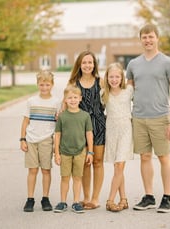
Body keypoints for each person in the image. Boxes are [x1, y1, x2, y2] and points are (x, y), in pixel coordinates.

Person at [126, 24, 170, 213]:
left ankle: (166, 197)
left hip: (160, 118)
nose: (148, 40)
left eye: (151, 37)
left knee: (164, 157)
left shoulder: (167, 63)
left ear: (157, 38)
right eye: (144, 37)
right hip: (139, 118)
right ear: (140, 39)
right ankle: (148, 196)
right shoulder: (133, 64)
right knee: (144, 157)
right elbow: (128, 92)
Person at [67, 50, 106, 209]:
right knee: (84, 163)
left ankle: (95, 199)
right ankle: (86, 197)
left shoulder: (101, 82)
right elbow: (66, 103)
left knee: (97, 161)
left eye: (90, 62)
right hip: (80, 127)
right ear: (79, 64)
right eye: (84, 62)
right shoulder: (73, 83)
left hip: (98, 125)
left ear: (94, 64)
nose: (87, 65)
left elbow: (112, 100)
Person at [20, 70, 61, 212]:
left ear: (52, 85)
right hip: (31, 140)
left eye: (47, 85)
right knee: (32, 170)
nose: (44, 88)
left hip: (47, 140)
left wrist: (57, 146)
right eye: (42, 85)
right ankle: (30, 199)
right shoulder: (31, 101)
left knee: (46, 170)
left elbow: (58, 125)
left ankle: (45, 198)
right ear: (38, 84)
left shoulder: (56, 102)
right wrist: (22, 139)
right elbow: (25, 121)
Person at [54, 85, 94, 213]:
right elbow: (58, 135)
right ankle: (63, 202)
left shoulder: (85, 116)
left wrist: (90, 152)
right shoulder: (62, 116)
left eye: (75, 97)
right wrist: (56, 153)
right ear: (65, 100)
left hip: (80, 152)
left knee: (77, 178)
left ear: (80, 99)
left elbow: (89, 134)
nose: (72, 100)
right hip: (65, 152)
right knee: (65, 178)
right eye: (69, 98)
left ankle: (76, 202)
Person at [101, 63, 134, 212]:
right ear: (106, 78)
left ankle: (110, 200)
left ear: (122, 78)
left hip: (126, 130)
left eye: (117, 76)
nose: (114, 79)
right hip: (112, 132)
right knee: (117, 168)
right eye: (111, 76)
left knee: (119, 165)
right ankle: (124, 199)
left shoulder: (129, 91)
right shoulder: (104, 94)